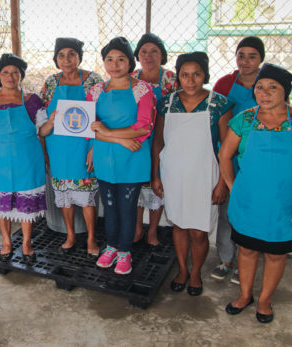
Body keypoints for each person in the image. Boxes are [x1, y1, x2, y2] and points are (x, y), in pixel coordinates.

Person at [221, 63, 292, 323]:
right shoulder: (244, 120)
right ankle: (245, 295)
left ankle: (264, 299)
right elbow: (225, 155)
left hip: (285, 204)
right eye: (260, 87)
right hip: (248, 202)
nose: (264, 93)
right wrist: (234, 187)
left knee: (276, 253)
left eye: (272, 88)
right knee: (246, 250)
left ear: (285, 92)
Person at [152, 52, 232, 295]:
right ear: (178, 77)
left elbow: (226, 149)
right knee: (179, 225)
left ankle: (196, 273)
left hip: (204, 175)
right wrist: (156, 176)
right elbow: (158, 143)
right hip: (173, 174)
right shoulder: (166, 102)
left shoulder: (219, 103)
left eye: (196, 74)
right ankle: (183, 271)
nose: (190, 80)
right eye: (185, 75)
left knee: (198, 231)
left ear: (205, 75)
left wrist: (221, 183)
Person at [86, 37, 156, 275]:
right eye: (109, 59)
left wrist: (106, 132)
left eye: (120, 59)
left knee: (127, 208)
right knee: (110, 206)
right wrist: (119, 138)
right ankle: (112, 247)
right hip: (106, 157)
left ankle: (125, 252)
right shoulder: (95, 91)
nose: (115, 64)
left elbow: (144, 127)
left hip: (132, 159)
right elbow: (89, 129)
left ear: (130, 62)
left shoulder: (141, 90)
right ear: (104, 62)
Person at [0, 53, 47, 263]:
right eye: (5, 72)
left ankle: (26, 242)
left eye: (15, 72)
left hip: (28, 161)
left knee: (26, 206)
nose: (10, 76)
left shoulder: (32, 101)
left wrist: (45, 156)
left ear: (21, 76)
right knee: (1, 205)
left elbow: (42, 132)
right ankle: (6, 241)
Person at [39, 37, 103, 256]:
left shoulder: (93, 80)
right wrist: (46, 149)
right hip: (58, 148)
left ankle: (92, 237)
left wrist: (95, 148)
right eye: (61, 55)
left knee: (86, 197)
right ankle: (70, 234)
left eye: (71, 54)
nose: (66, 59)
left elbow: (100, 115)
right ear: (56, 59)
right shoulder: (50, 83)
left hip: (84, 146)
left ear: (79, 57)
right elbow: (43, 119)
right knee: (64, 194)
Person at [211, 36, 265, 284]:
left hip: (259, 160)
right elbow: (214, 121)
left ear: (261, 59)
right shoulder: (224, 84)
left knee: (254, 211)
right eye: (241, 55)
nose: (245, 61)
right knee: (227, 211)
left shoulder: (268, 85)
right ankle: (225, 259)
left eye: (252, 56)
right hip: (229, 157)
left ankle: (247, 261)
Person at [131, 33, 178, 247]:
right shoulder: (131, 77)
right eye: (143, 52)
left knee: (157, 183)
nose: (148, 56)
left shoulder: (171, 78)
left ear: (162, 55)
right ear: (137, 56)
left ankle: (153, 231)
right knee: (138, 182)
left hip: (164, 137)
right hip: (137, 138)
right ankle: (138, 227)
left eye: (154, 51)